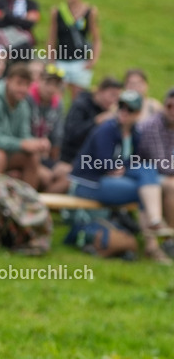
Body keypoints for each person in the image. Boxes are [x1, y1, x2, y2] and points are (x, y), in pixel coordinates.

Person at [69, 90, 174, 264]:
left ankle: (154, 224)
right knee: (142, 191)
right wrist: (117, 166)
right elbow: (102, 162)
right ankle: (153, 242)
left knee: (147, 169)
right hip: (89, 184)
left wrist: (121, 167)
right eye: (121, 107)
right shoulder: (107, 129)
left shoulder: (134, 134)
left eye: (130, 109)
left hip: (111, 180)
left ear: (138, 114)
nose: (124, 112)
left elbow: (131, 162)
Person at [0, 63, 52, 189]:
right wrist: (22, 144)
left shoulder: (23, 105)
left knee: (32, 158)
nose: (23, 89)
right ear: (7, 81)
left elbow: (24, 135)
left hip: (3, 151)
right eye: (19, 83)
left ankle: (27, 199)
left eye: (27, 85)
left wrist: (37, 143)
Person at [47, 0, 100, 97]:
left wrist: (93, 60)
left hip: (80, 61)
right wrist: (51, 59)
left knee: (78, 97)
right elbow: (52, 37)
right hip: (61, 60)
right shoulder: (57, 11)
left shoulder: (90, 12)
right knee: (56, 95)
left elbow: (96, 39)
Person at [58, 76, 121, 168]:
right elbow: (72, 135)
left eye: (117, 97)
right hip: (72, 158)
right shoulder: (81, 105)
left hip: (94, 161)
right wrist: (97, 121)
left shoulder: (107, 109)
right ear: (100, 91)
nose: (114, 101)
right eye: (112, 95)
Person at [29, 63, 69, 192]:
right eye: (48, 83)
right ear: (39, 80)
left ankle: (41, 201)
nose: (51, 88)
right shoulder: (27, 98)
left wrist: (53, 157)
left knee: (69, 175)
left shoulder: (58, 103)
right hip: (26, 153)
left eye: (56, 85)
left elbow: (57, 135)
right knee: (45, 177)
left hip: (44, 155)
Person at [137, 87, 174, 227]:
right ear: (163, 106)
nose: (172, 111)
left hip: (164, 172)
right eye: (169, 106)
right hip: (146, 172)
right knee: (172, 186)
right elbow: (161, 165)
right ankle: (170, 234)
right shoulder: (153, 125)